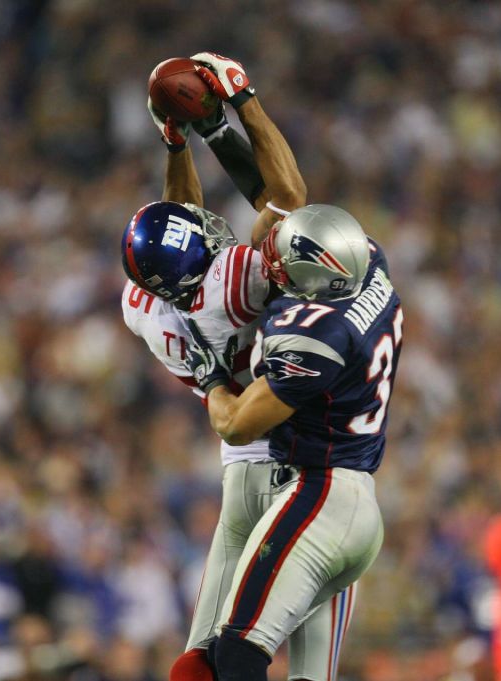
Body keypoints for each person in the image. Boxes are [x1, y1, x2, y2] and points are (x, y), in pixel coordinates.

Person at [121, 53, 357, 681]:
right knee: (295, 653)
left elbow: (181, 228)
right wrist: (243, 101)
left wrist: (178, 143)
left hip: (237, 472)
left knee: (203, 660)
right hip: (299, 465)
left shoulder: (143, 304)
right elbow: (290, 201)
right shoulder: (233, 280)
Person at [185, 118, 403, 680]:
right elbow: (282, 207)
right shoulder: (366, 264)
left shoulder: (314, 337)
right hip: (355, 503)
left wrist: (209, 378)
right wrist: (219, 129)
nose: (272, 265)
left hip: (317, 497)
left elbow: (235, 426)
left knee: (234, 653)